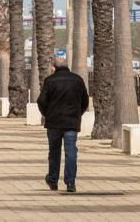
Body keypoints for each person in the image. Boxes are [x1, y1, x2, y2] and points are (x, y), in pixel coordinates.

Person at [35, 50, 89, 193]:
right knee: (71, 152)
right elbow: (85, 101)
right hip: (72, 122)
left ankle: (53, 180)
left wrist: (47, 114)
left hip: (54, 122)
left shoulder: (50, 81)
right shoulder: (77, 80)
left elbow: (41, 101)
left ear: (54, 67)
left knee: (54, 152)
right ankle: (70, 182)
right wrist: (78, 114)